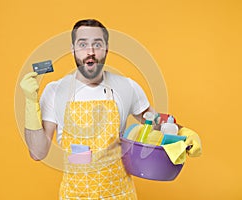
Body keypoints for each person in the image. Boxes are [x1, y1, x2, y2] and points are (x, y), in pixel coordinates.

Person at [20, 19, 202, 199]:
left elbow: (156, 125)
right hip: (74, 195)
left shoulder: (127, 86)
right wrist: (30, 103)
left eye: (97, 44)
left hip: (120, 194)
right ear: (73, 49)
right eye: (82, 44)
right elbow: (38, 153)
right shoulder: (55, 91)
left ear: (106, 48)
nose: (90, 52)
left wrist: (182, 133)